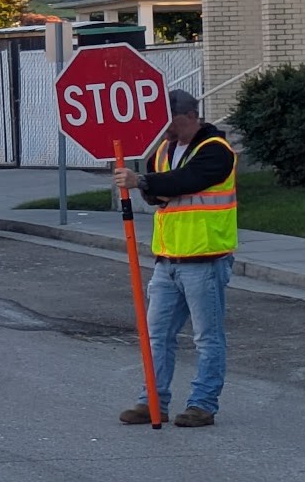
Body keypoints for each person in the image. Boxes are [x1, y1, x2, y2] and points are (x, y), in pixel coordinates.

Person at [113, 89, 238, 428]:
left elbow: (187, 180)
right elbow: (156, 193)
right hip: (168, 261)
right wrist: (152, 185)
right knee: (157, 336)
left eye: (168, 122)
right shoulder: (164, 150)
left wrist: (145, 182)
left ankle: (203, 404)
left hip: (205, 259)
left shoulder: (216, 151)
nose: (163, 129)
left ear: (188, 116)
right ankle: (152, 401)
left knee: (206, 337)